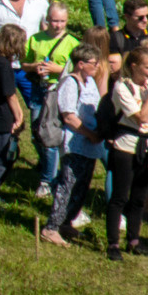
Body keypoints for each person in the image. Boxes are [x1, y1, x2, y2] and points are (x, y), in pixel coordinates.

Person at [41, 43, 111, 247]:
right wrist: (90, 134)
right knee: (68, 186)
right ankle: (51, 228)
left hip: (90, 145)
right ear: (80, 64)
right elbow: (69, 116)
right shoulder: (70, 83)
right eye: (94, 63)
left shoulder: (89, 81)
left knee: (81, 186)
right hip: (76, 144)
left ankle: (66, 223)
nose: (97, 67)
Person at [103, 43, 148, 261]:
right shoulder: (123, 87)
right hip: (126, 146)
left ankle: (134, 240)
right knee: (120, 196)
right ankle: (113, 243)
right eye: (147, 67)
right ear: (134, 66)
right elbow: (142, 117)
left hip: (147, 147)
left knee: (140, 197)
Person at [27, 2, 79, 196]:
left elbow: (77, 70)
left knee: (50, 135)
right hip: (38, 88)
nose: (58, 25)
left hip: (57, 91)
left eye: (62, 21)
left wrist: (55, 69)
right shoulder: (35, 39)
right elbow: (23, 63)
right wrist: (34, 67)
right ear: (47, 20)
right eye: (54, 21)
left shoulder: (72, 42)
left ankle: (47, 180)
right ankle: (47, 166)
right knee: (35, 132)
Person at [0, 24, 30, 209]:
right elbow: (10, 94)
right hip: (4, 117)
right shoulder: (4, 66)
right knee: (1, 157)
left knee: (8, 154)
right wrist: (19, 117)